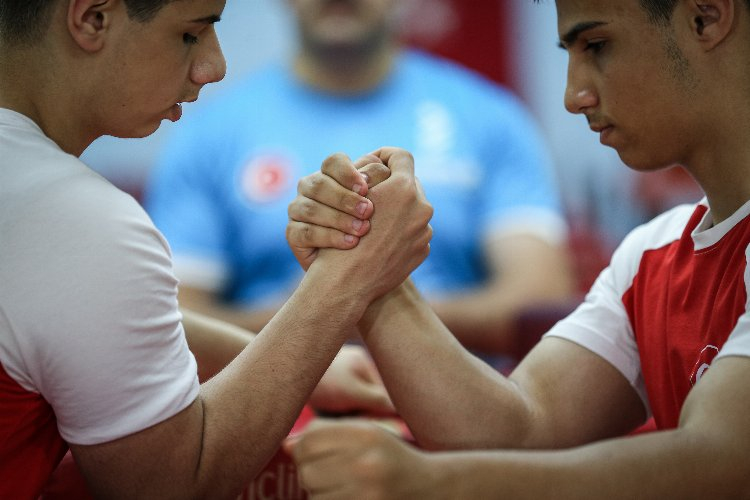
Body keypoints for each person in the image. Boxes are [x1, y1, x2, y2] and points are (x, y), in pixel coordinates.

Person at [283, 0, 750, 497]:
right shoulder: (650, 254)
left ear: (707, 17)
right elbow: (520, 433)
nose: (574, 95)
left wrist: (431, 484)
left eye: (597, 45)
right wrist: (371, 269)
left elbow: (723, 458)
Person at [0, 0, 432, 497]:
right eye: (191, 33)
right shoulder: (78, 221)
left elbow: (71, 317)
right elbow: (171, 485)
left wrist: (302, 367)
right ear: (93, 18)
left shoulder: (53, 227)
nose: (215, 67)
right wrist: (348, 278)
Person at [143, 0, 574, 357]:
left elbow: (539, 305)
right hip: (278, 424)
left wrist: (338, 296)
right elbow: (173, 328)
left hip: (461, 421)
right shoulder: (208, 134)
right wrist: (351, 294)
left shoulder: (491, 118)